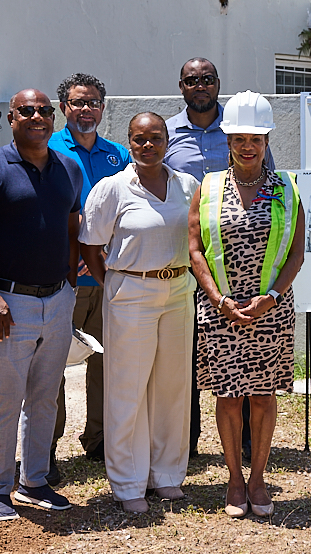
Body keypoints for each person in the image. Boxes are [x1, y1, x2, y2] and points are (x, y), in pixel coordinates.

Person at [0, 89, 82, 522]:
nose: (36, 116)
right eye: (26, 111)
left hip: (56, 299)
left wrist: (67, 286)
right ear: (10, 119)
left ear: (54, 118)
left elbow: (72, 229)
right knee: (5, 398)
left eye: (44, 110)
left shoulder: (68, 167)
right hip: (7, 303)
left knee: (45, 397)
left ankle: (34, 480)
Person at [187, 91, 304, 518]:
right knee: (229, 397)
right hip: (221, 313)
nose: (247, 146)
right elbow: (195, 250)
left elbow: (296, 253)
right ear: (227, 141)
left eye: (256, 138)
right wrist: (218, 299)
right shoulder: (209, 187)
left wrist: (271, 297)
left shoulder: (286, 189)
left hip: (269, 313)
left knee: (262, 396)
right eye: (239, 138)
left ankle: (258, 479)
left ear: (268, 140)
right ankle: (234, 481)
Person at [79, 113, 198, 514]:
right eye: (139, 139)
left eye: (155, 138)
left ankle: (166, 476)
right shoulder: (113, 188)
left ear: (167, 140)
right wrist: (113, 283)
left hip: (180, 290)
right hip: (131, 292)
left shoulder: (187, 185)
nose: (148, 145)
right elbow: (91, 247)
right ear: (128, 143)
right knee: (127, 389)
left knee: (173, 387)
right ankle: (129, 482)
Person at [165, 57, 268, 458]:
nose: (200, 86)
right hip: (185, 259)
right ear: (181, 86)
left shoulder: (243, 129)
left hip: (242, 263)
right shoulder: (167, 133)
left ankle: (245, 441)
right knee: (187, 355)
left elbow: (266, 185)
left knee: (242, 350)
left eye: (207, 79)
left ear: (218, 83)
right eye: (192, 80)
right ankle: (184, 443)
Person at [48, 73, 132, 473]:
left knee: (106, 363)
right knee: (53, 364)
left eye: (94, 102)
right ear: (65, 106)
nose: (86, 109)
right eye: (79, 102)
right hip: (62, 278)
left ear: (102, 107)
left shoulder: (119, 154)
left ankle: (98, 440)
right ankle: (47, 445)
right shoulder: (46, 148)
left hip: (108, 275)